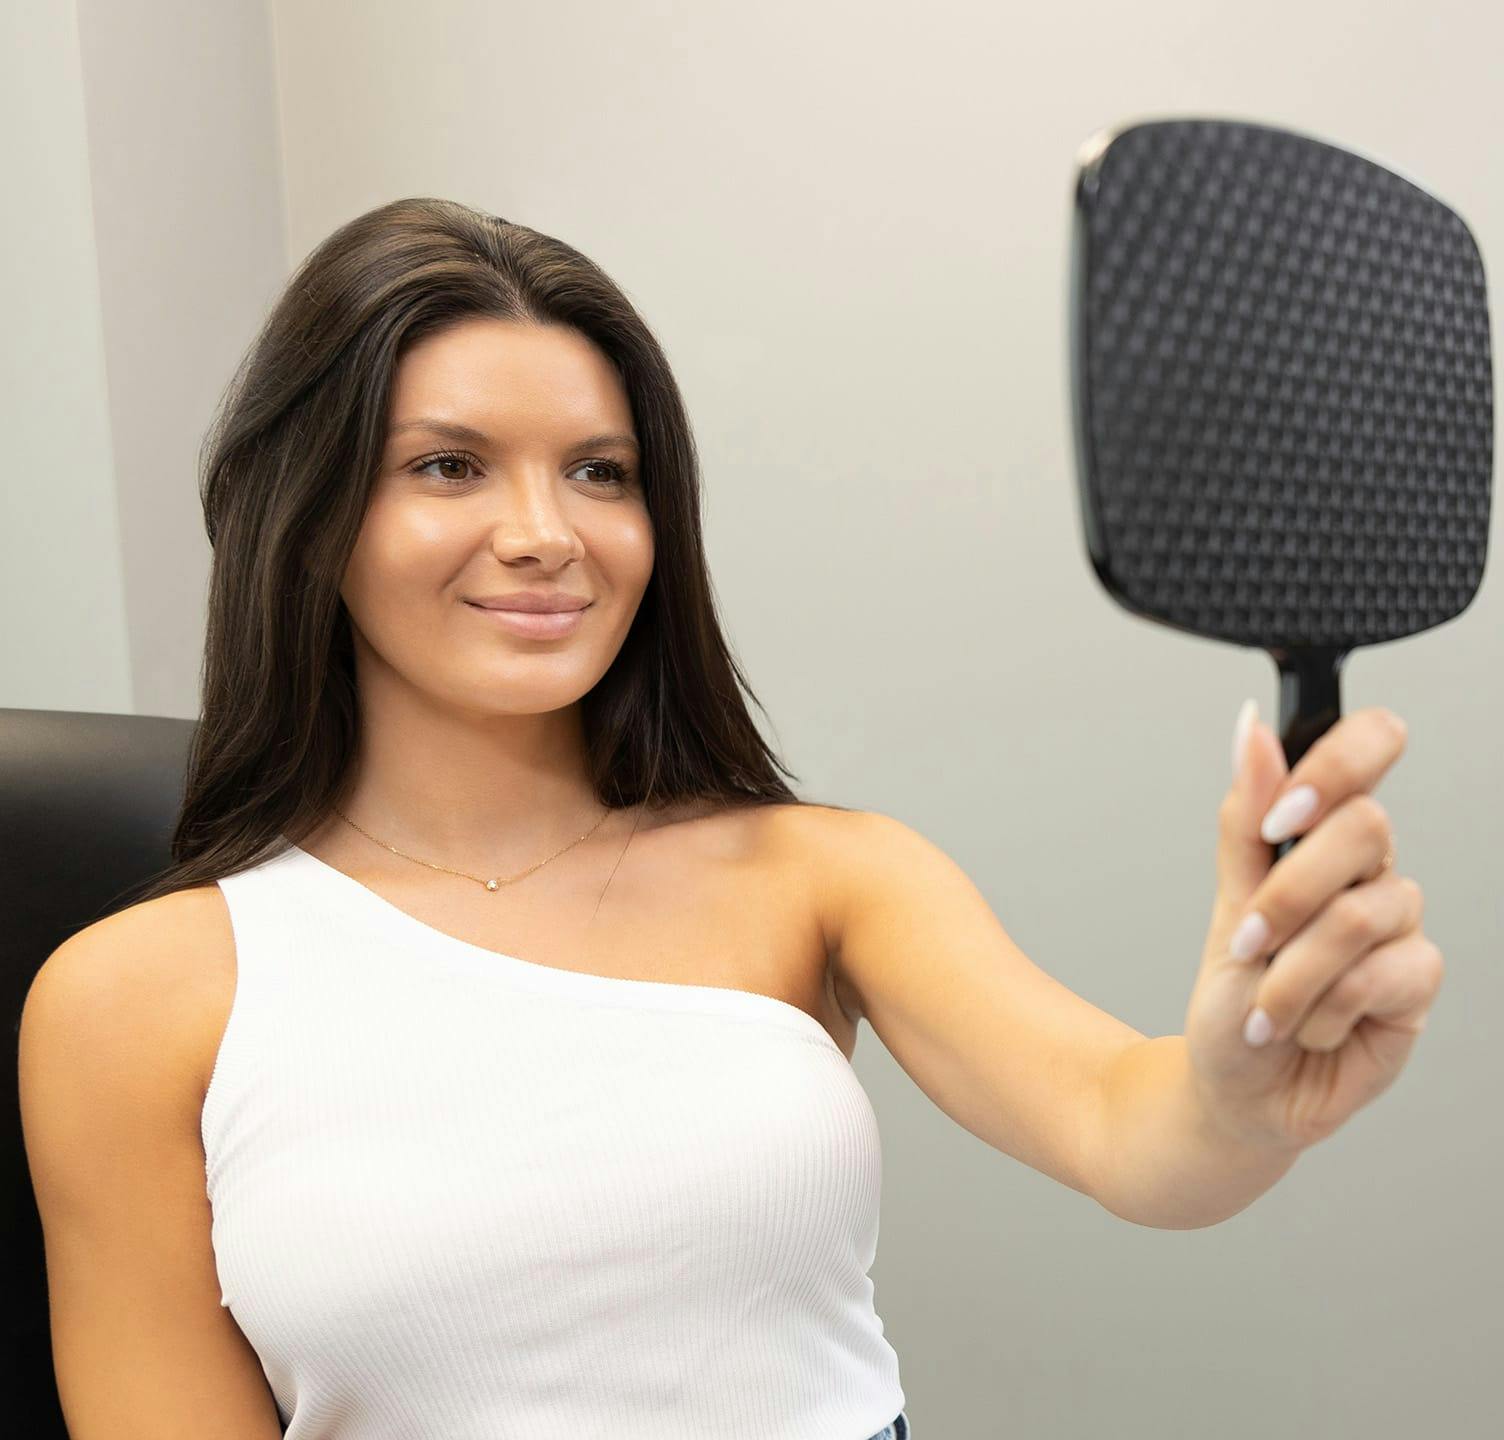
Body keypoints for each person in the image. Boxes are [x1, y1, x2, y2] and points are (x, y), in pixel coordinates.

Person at [19, 198, 911, 1439]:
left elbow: (1140, 1125)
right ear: (311, 514)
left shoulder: (816, 872)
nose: (546, 536)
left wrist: (1254, 1044)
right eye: (449, 465)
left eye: (600, 473)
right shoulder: (126, 1002)